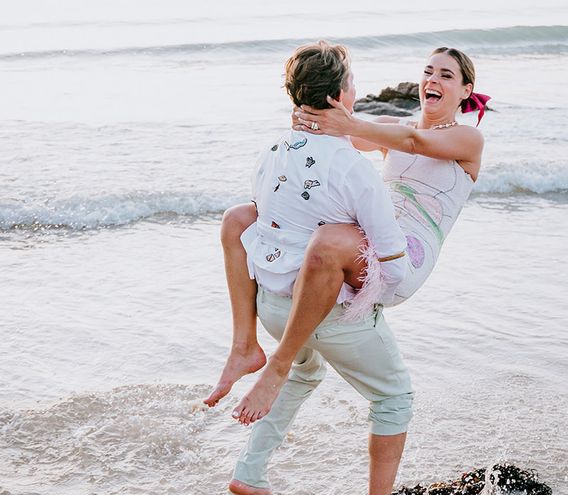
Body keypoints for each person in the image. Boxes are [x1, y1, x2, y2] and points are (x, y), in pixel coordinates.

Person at [205, 47, 486, 427]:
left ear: (466, 90)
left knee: (331, 236)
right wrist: (311, 118)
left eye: (446, 76)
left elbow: (412, 142)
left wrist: (349, 124)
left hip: (406, 254)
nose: (432, 80)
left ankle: (280, 363)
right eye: (428, 71)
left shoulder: (469, 139)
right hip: (374, 235)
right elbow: (335, 145)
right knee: (239, 218)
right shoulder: (388, 125)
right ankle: (244, 344)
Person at [221, 40, 426, 495]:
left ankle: (250, 472)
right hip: (328, 311)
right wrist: (382, 294)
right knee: (394, 397)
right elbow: (390, 255)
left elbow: (266, 221)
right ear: (340, 97)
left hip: (273, 306)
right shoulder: (352, 165)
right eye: (353, 81)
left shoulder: (271, 153)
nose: (357, 88)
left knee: (302, 373)